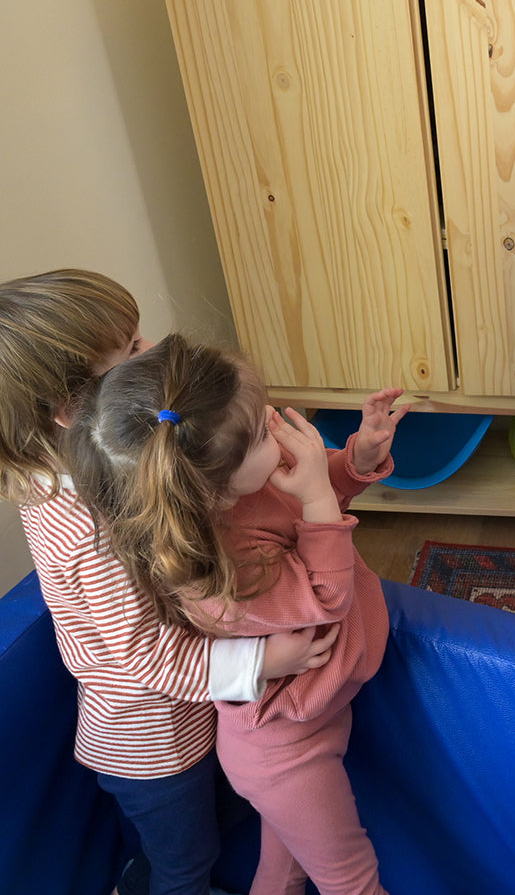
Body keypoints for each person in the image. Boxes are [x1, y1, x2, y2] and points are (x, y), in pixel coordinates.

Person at [0, 269, 336, 895]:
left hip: (195, 716)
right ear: (73, 409)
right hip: (152, 745)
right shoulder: (83, 529)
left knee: (225, 813)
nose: (150, 351)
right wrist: (262, 659)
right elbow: (142, 657)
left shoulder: (115, 471)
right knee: (184, 862)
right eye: (130, 352)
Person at [64, 332, 406, 895]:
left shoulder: (243, 476)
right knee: (352, 877)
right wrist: (318, 493)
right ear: (214, 491)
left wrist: (355, 462)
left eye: (264, 409)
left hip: (314, 713)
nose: (276, 424)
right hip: (284, 752)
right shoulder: (213, 571)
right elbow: (326, 595)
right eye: (259, 431)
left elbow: (312, 501)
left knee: (282, 868)